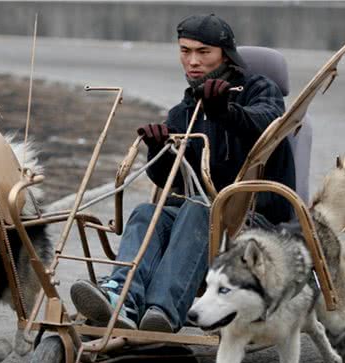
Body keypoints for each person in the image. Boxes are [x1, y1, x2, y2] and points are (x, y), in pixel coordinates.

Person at [70, 14, 296, 332]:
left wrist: (225, 112)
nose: (192, 61)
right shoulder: (184, 110)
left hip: (256, 216)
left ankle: (163, 310)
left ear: (225, 53)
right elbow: (172, 180)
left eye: (203, 52)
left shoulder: (260, 89)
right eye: (185, 51)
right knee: (146, 213)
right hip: (202, 216)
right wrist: (159, 150)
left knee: (199, 209)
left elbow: (268, 125)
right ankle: (121, 299)